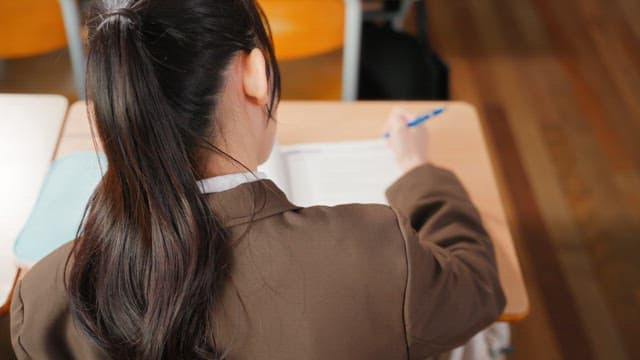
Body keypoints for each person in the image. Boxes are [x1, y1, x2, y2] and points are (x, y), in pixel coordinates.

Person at [10, 0, 505, 359]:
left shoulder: (43, 300)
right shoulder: (377, 257)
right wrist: (420, 175)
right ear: (257, 75)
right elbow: (478, 286)